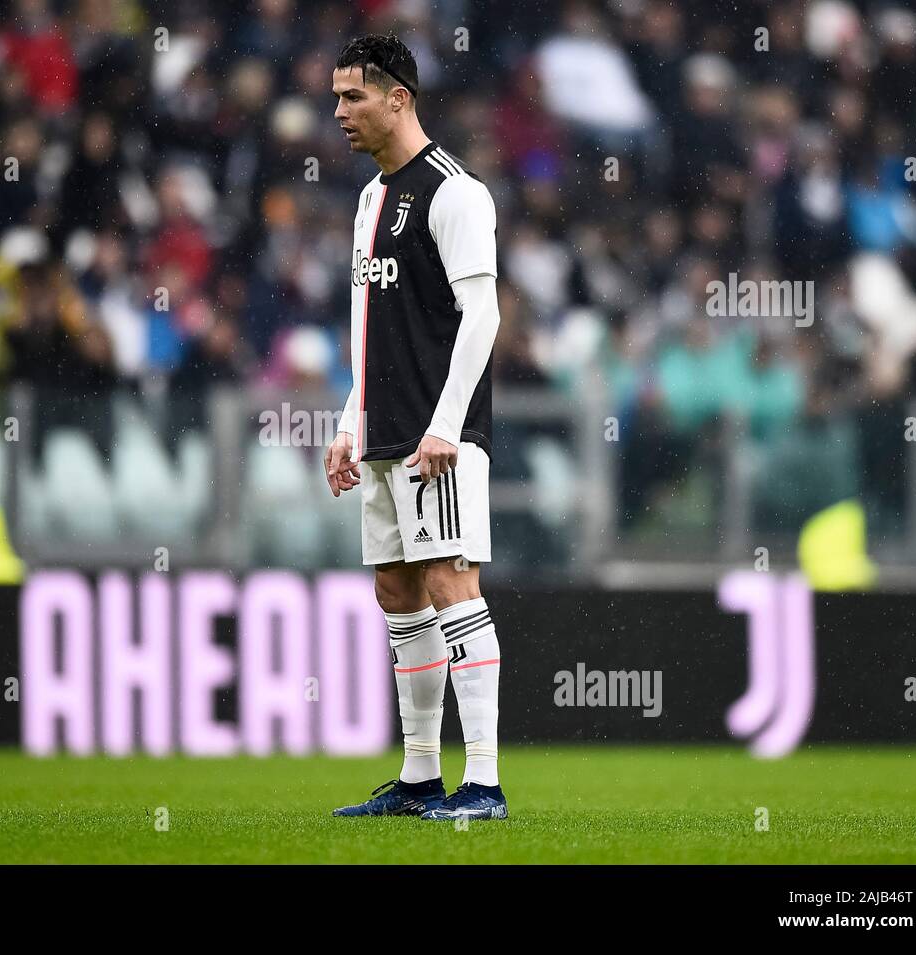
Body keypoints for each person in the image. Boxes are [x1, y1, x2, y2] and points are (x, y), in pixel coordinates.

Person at [324, 34, 506, 821]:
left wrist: (447, 427)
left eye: (353, 97)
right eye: (336, 98)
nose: (340, 113)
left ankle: (485, 781)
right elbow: (370, 325)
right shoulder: (370, 198)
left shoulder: (456, 193)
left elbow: (483, 315)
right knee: (397, 588)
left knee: (450, 581)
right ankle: (421, 775)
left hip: (439, 435)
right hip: (383, 429)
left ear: (399, 98)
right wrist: (348, 420)